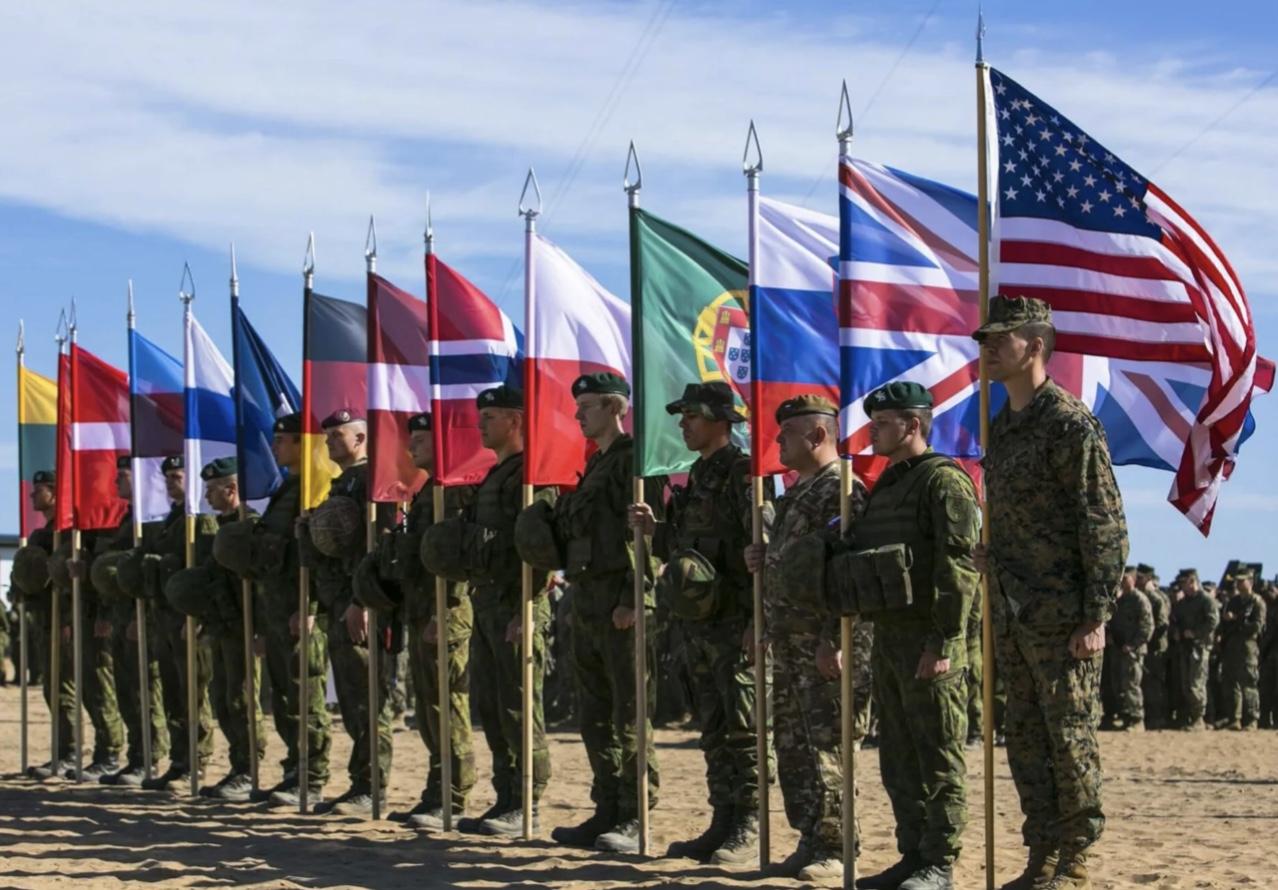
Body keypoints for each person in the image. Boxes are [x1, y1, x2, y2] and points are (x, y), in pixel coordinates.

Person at [973, 295, 1128, 890]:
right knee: (1025, 735)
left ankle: (1075, 857)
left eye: (1001, 339)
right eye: (985, 340)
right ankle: (1042, 850)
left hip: (1061, 615)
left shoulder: (1067, 423)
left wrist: (1095, 614)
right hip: (1013, 609)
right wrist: (992, 554)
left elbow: (1103, 524)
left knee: (1069, 737)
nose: (989, 349)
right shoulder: (1003, 425)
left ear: (1035, 346)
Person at [838, 382, 979, 890]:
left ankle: (939, 862)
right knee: (898, 756)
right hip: (890, 636)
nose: (872, 430)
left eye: (883, 423)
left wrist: (943, 643)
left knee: (937, 753)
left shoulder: (943, 481)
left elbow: (958, 569)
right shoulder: (888, 483)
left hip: (928, 640)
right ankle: (913, 852)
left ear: (913, 425)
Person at [628, 382, 765, 866]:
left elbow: (760, 550)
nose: (683, 424)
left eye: (692, 416)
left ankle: (748, 822)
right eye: (682, 416)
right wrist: (655, 529)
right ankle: (722, 819)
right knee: (712, 727)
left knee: (743, 729)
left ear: (720, 420)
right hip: (698, 625)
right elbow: (687, 547)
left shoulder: (742, 473)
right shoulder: (698, 474)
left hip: (734, 623)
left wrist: (756, 619)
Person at [535, 373, 664, 854]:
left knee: (629, 710)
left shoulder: (633, 461)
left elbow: (644, 538)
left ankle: (634, 812)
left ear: (614, 407)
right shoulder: (597, 464)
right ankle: (607, 807)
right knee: (595, 713)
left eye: (587, 405)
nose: (577, 414)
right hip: (588, 598)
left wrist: (633, 596)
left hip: (618, 599)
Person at [421, 386, 557, 836]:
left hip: (516, 605)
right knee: (494, 706)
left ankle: (527, 802)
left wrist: (527, 607)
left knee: (520, 705)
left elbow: (540, 547)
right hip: (486, 602)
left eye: (490, 416)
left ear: (515, 421)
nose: (480, 424)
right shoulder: (494, 476)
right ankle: (506, 796)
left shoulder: (529, 476)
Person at [744, 394, 868, 883]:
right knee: (793, 747)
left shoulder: (842, 491)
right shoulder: (797, 493)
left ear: (818, 436)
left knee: (827, 746)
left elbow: (848, 571)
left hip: (822, 644)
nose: (777, 441)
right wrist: (765, 559)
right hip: (789, 641)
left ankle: (836, 846)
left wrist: (831, 639)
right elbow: (800, 562)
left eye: (787, 433)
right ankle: (811, 838)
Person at [220, 413, 332, 808]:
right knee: (285, 696)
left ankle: (311, 776)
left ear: (302, 443)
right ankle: (294, 771)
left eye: (281, 440)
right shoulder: (286, 489)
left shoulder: (315, 488)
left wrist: (310, 606)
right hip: (277, 609)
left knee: (305, 694)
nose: (273, 447)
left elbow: (317, 554)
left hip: (300, 610)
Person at [378, 412, 476, 831]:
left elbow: (456, 556)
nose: (411, 446)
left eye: (420, 439)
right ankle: (437, 792)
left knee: (446, 704)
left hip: (445, 610)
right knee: (428, 706)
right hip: (422, 607)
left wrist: (443, 610)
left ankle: (453, 796)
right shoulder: (427, 491)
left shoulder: (453, 491)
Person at [305, 409, 396, 816]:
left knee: (368, 699)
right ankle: (361, 783)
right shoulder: (343, 483)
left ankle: (371, 787)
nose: (328, 442)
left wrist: (363, 601)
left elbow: (381, 545)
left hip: (362, 604)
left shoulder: (373, 481)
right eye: (327, 436)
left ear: (360, 439)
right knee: (351, 698)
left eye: (337, 435)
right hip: (341, 603)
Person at [167, 457, 266, 800]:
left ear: (232, 488)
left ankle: (249, 770)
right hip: (221, 626)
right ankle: (239, 767)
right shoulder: (221, 529)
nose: (206, 495)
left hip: (244, 625)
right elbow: (211, 582)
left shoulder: (250, 526)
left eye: (212, 488)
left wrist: (262, 630)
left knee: (242, 700)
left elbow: (261, 584)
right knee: (224, 699)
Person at [90, 458, 170, 786]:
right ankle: (137, 756)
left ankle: (149, 758)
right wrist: (106, 613)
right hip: (122, 615)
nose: (116, 483)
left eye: (122, 476)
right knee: (126, 690)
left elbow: (151, 572)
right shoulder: (127, 520)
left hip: (143, 617)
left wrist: (142, 616)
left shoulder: (154, 520)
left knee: (145, 690)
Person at [141, 455, 216, 791]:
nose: (171, 482)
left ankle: (196, 763)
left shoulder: (200, 519)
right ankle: (179, 760)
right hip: (167, 617)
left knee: (193, 695)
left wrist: (197, 615)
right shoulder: (172, 519)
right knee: (172, 694)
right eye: (168, 477)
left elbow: (206, 571)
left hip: (190, 620)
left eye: (178, 476)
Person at [12, 470, 77, 780]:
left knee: (65, 690)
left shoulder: (70, 535)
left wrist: (67, 621)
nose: (32, 495)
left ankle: (72, 753)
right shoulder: (40, 535)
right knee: (53, 690)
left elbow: (69, 586)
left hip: (64, 622)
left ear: (55, 493)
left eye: (39, 490)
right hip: (44, 620)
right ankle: (63, 752)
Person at [1215, 568, 1266, 731]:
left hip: (1247, 647)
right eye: (1237, 581)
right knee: (1230, 683)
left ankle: (1252, 719)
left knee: (1248, 684)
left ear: (1250, 582)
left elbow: (1256, 626)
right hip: (1231, 647)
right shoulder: (1234, 602)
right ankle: (1234, 718)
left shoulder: (1257, 602)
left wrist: (1237, 620)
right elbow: (1223, 623)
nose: (1238, 584)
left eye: (1242, 581)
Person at [1170, 569, 1218, 731]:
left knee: (1196, 683)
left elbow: (1212, 621)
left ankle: (1199, 719)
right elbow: (1175, 620)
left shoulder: (1206, 600)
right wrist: (1176, 632)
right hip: (1185, 647)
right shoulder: (1183, 603)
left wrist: (1196, 633)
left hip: (1199, 647)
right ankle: (1191, 716)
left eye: (1184, 582)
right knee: (1186, 683)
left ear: (1192, 581)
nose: (1181, 586)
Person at [1106, 568, 1153, 733]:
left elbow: (1147, 627)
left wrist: (1133, 645)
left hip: (1133, 651)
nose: (1122, 580)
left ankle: (1137, 719)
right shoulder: (1120, 600)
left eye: (1125, 577)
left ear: (1133, 579)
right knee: (1118, 684)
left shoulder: (1139, 600)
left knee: (1131, 684)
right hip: (1118, 649)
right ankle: (1126, 718)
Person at [1139, 569, 1172, 730]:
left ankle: (1159, 717)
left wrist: (1149, 638)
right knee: (1147, 683)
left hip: (1157, 647)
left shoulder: (1157, 599)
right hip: (1147, 646)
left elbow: (1162, 624)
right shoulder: (1143, 597)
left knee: (1156, 683)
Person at [1258, 580, 1278, 729]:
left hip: (1271, 651)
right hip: (1270, 653)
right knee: (1266, 687)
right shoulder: (1270, 607)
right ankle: (1265, 719)